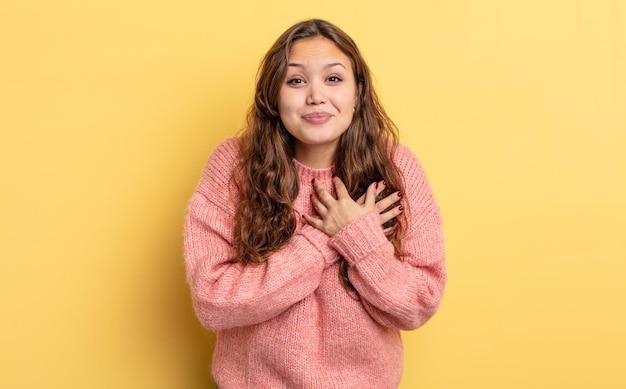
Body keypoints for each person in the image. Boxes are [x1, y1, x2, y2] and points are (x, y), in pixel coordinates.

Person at [184, 19, 446, 389]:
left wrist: (363, 244)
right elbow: (213, 301)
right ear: (273, 96)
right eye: (296, 80)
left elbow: (417, 303)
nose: (316, 96)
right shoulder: (234, 167)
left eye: (334, 79)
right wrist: (330, 238)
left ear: (358, 93)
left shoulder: (397, 169)